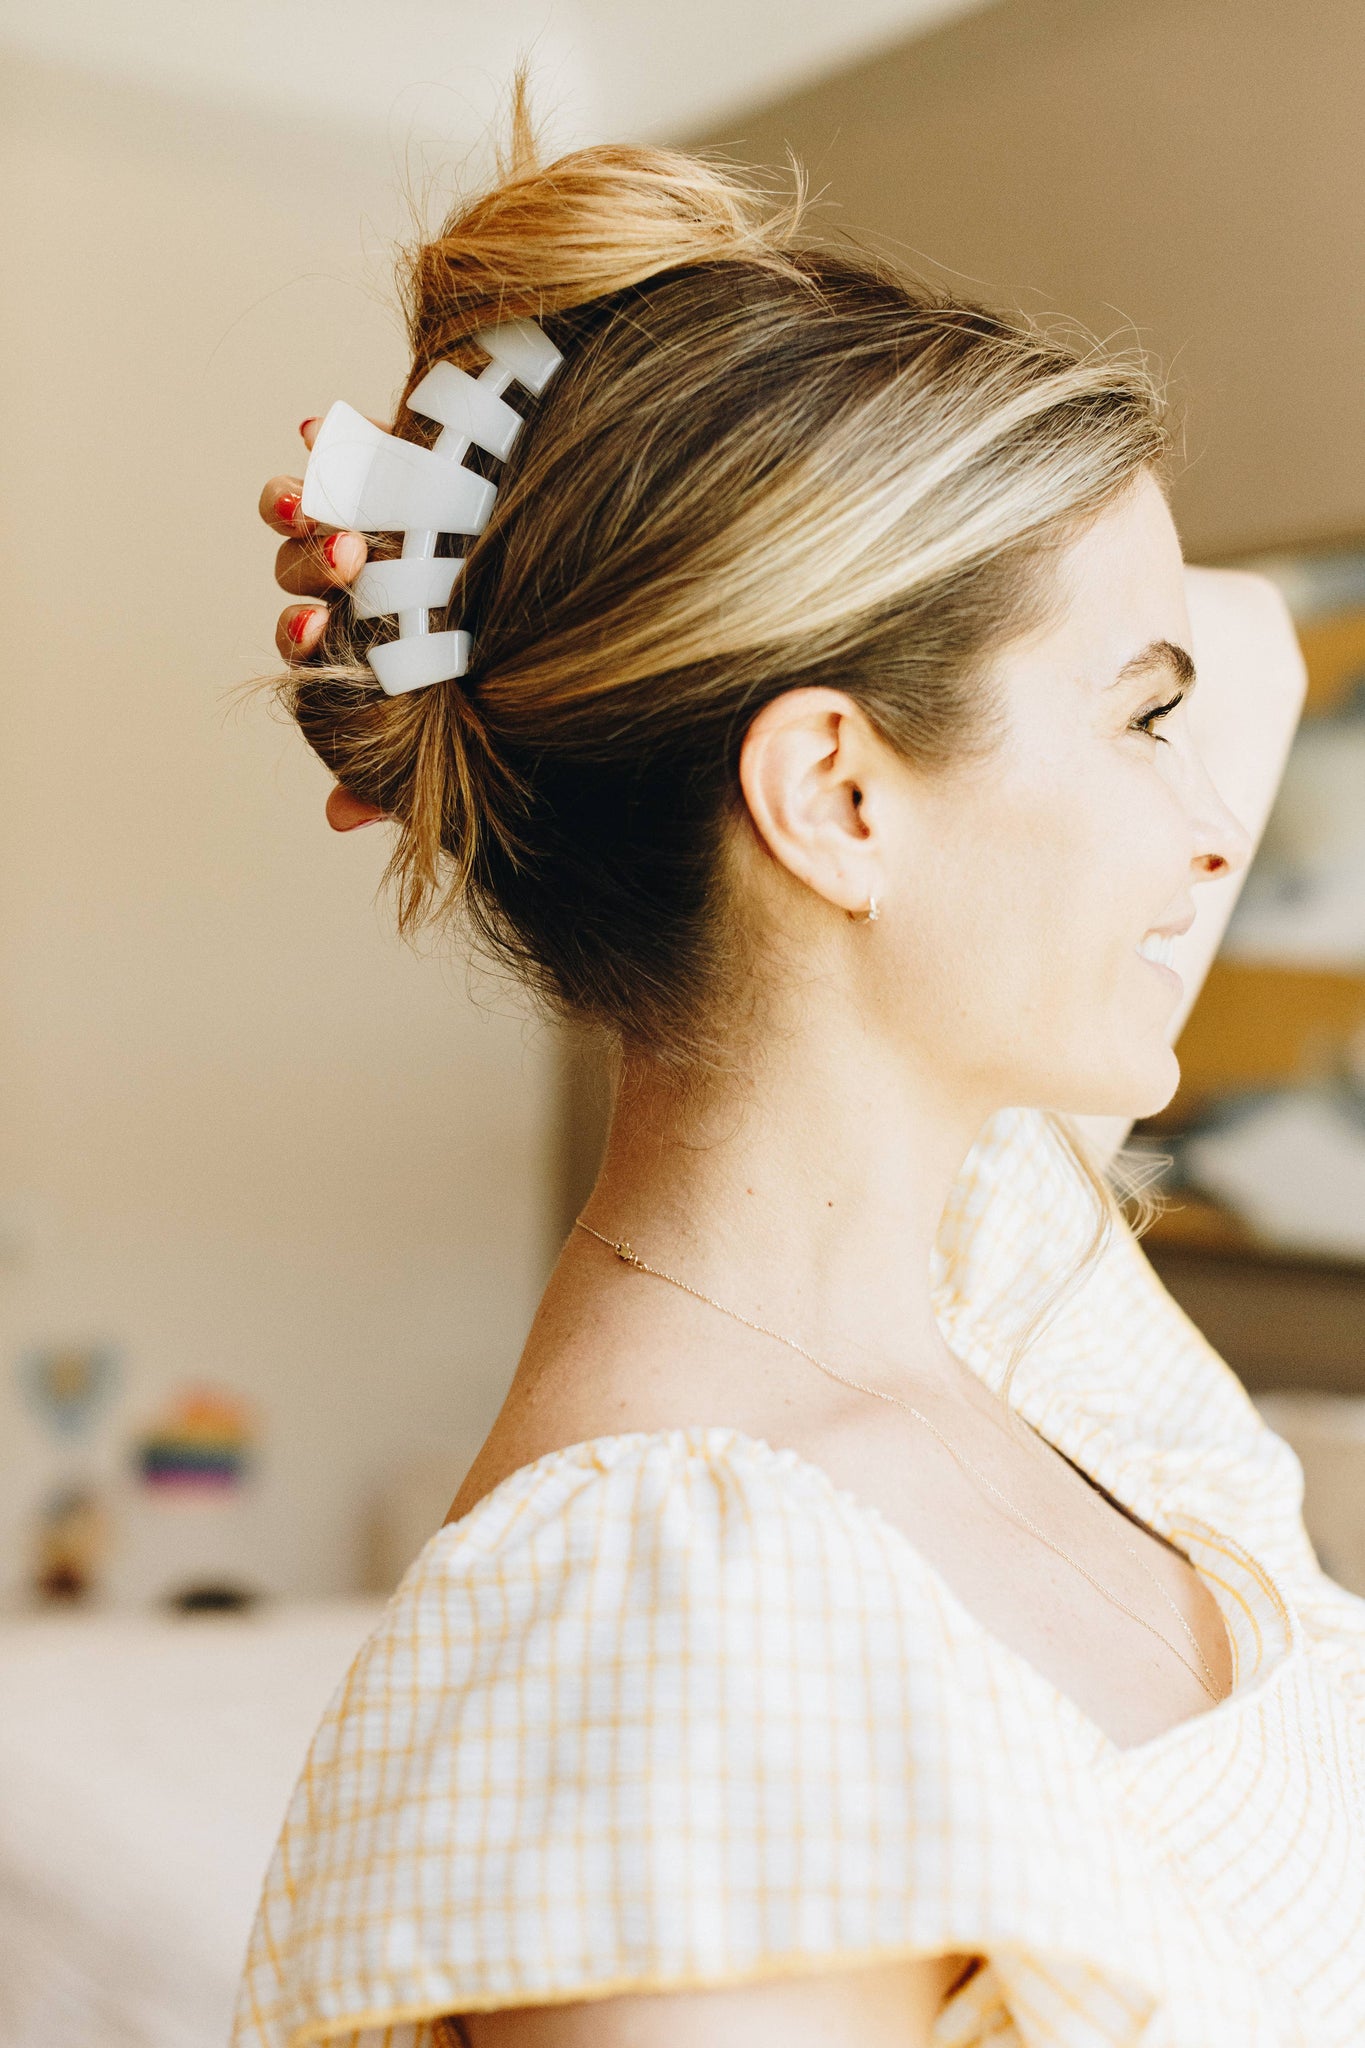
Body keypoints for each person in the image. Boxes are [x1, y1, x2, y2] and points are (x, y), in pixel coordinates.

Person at [235, 115, 1365, 2048]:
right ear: (838, 796)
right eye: (1139, 718)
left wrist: (509, 550)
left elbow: (1247, 640)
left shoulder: (1004, 1269)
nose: (1209, 831)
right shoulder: (657, 1634)